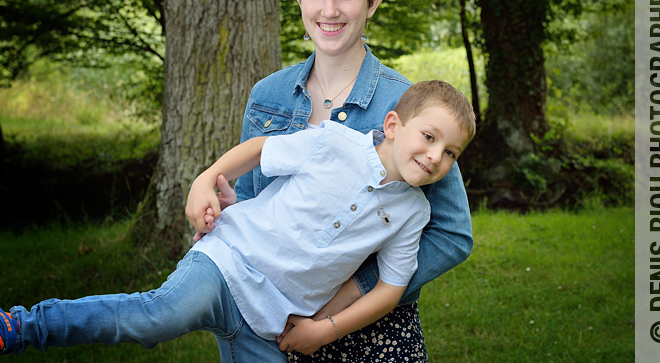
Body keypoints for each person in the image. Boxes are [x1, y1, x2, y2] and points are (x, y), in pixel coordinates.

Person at [0, 80, 476, 361]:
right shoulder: (335, 142)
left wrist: (325, 330)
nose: (435, 156)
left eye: (450, 151)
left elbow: (390, 289)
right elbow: (261, 150)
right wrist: (209, 178)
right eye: (429, 137)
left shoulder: (414, 212)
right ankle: (23, 326)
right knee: (156, 317)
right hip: (228, 262)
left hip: (272, 320)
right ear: (393, 125)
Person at [190, 0, 474, 362]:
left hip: (369, 332)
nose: (329, 10)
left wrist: (341, 302)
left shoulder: (407, 107)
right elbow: (247, 197)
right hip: (270, 319)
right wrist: (217, 207)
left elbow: (452, 234)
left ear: (373, 1)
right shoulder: (269, 95)